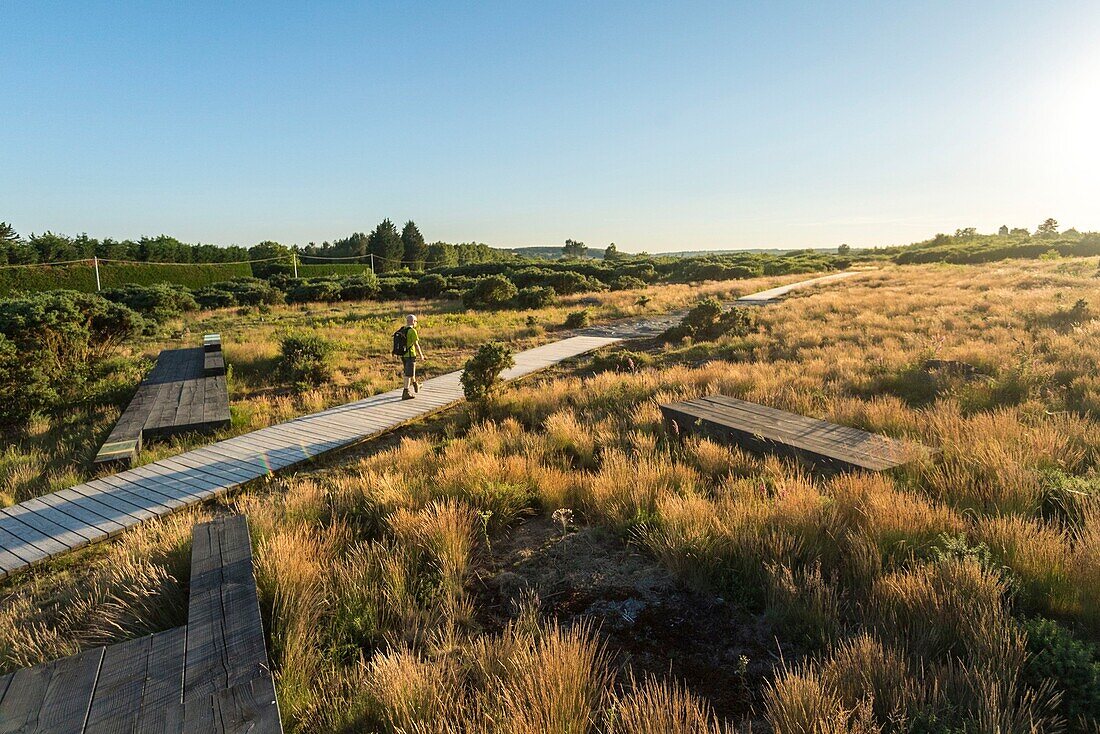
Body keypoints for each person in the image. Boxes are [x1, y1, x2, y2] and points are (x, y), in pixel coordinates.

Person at [400, 314, 424, 400]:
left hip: (403, 355)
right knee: (408, 374)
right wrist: (421, 355)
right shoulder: (412, 331)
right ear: (414, 322)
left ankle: (415, 384)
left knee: (409, 371)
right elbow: (416, 345)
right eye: (416, 321)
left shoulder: (402, 330)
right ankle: (405, 392)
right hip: (410, 355)